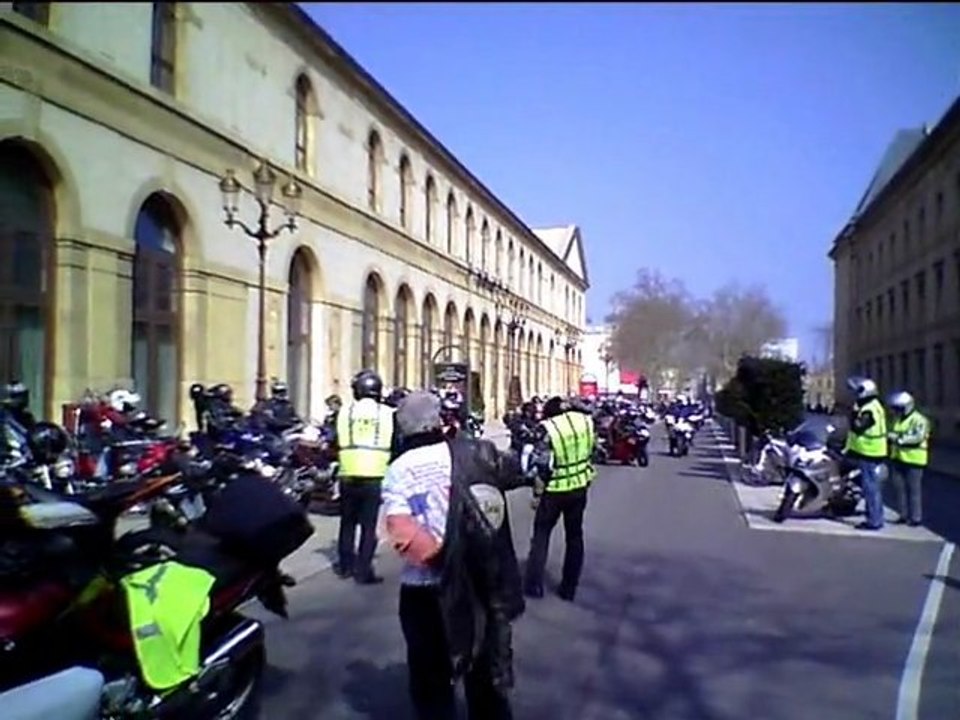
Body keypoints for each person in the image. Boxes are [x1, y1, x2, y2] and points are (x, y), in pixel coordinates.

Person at [381, 390, 527, 720]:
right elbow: (512, 474)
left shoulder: (399, 468)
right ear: (439, 421)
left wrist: (441, 558)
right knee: (484, 678)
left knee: (431, 680)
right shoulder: (477, 453)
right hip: (477, 582)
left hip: (424, 590)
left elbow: (401, 532)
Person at [524, 395, 596, 602]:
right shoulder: (585, 421)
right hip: (579, 486)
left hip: (554, 489)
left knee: (541, 534)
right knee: (574, 536)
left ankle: (534, 585)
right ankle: (569, 587)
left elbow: (543, 464)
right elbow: (592, 448)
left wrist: (537, 492)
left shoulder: (548, 428)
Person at [333, 369, 397, 584]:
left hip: (348, 473)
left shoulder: (344, 411)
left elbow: (335, 439)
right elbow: (397, 443)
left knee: (347, 523)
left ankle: (345, 566)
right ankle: (363, 570)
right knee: (369, 527)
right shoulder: (388, 413)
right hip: (374, 474)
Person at [843, 377, 888, 531]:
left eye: (857, 391)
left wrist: (853, 414)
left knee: (871, 488)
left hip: (869, 452)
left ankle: (874, 521)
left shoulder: (869, 409)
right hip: (867, 451)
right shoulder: (872, 405)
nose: (855, 394)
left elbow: (858, 427)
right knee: (868, 485)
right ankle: (875, 517)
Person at [886, 390, 930, 527]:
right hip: (897, 458)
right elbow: (890, 432)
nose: (896, 411)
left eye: (899, 408)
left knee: (913, 490)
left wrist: (898, 439)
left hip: (914, 460)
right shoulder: (896, 420)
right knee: (899, 489)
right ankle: (903, 515)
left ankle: (916, 517)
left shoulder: (919, 420)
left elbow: (918, 437)